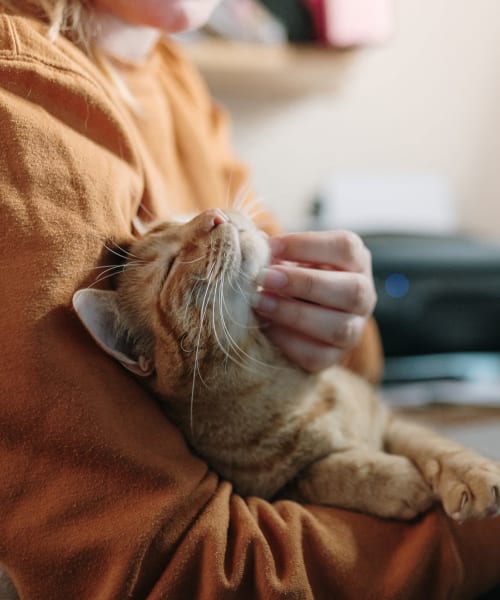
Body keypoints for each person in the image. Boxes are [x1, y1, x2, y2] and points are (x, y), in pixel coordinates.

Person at [0, 0, 499, 598]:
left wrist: (339, 321)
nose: (211, 223)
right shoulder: (22, 110)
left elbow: (349, 373)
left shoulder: (169, 71)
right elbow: (174, 568)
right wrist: (479, 540)